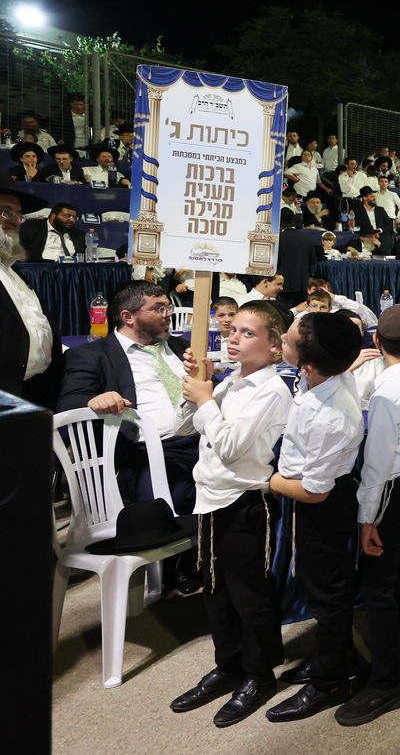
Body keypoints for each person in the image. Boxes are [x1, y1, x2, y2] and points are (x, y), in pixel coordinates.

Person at [168, 300, 293, 726]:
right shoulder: (231, 381)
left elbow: (230, 447)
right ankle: (229, 664)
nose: (233, 338)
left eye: (248, 333)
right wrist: (198, 386)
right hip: (210, 496)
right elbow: (182, 427)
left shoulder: (271, 390)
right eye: (232, 330)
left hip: (244, 502)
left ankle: (259, 674)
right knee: (215, 589)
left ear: (275, 346)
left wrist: (206, 399)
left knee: (249, 593)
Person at [261, 312, 365, 722]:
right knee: (318, 581)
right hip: (311, 495)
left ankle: (331, 680)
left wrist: (266, 480)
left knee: (328, 592)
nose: (279, 340)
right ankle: (338, 655)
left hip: (324, 503)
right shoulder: (318, 378)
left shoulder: (331, 415)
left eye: (284, 340)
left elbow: (315, 491)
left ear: (305, 365)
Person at [337, 306, 400, 726]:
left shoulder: (385, 393)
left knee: (378, 586)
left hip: (392, 488)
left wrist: (366, 519)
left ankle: (386, 680)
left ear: (375, 344)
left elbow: (376, 466)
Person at [59, 280, 199, 514]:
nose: (169, 314)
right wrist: (95, 400)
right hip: (151, 450)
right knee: (169, 503)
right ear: (128, 317)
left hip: (204, 440)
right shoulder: (92, 355)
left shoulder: (180, 346)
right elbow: (69, 403)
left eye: (169, 307)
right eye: (159, 308)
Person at [0, 187, 61, 406]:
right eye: (5, 211)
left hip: (33, 393)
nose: (14, 220)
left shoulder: (15, 271)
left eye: (18, 214)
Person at [20, 202, 85, 261]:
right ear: (53, 216)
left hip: (71, 271)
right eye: (67, 216)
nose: (72, 220)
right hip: (40, 270)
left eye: (74, 217)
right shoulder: (32, 227)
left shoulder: (79, 235)